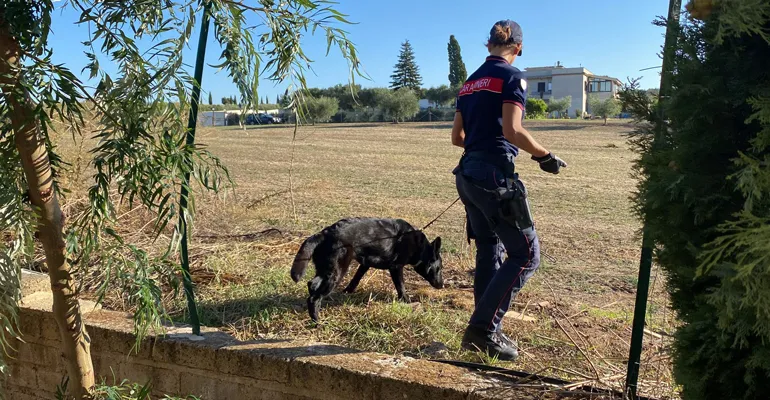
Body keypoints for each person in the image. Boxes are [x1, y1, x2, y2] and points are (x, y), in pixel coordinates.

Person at [451, 19, 567, 361]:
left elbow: (457, 138)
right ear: (518, 48)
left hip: (468, 174)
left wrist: (481, 147)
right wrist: (545, 156)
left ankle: (483, 324)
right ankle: (482, 330)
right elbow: (513, 130)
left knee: (489, 248)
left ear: (489, 46)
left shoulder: (469, 84)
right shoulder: (513, 78)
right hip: (493, 177)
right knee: (526, 255)